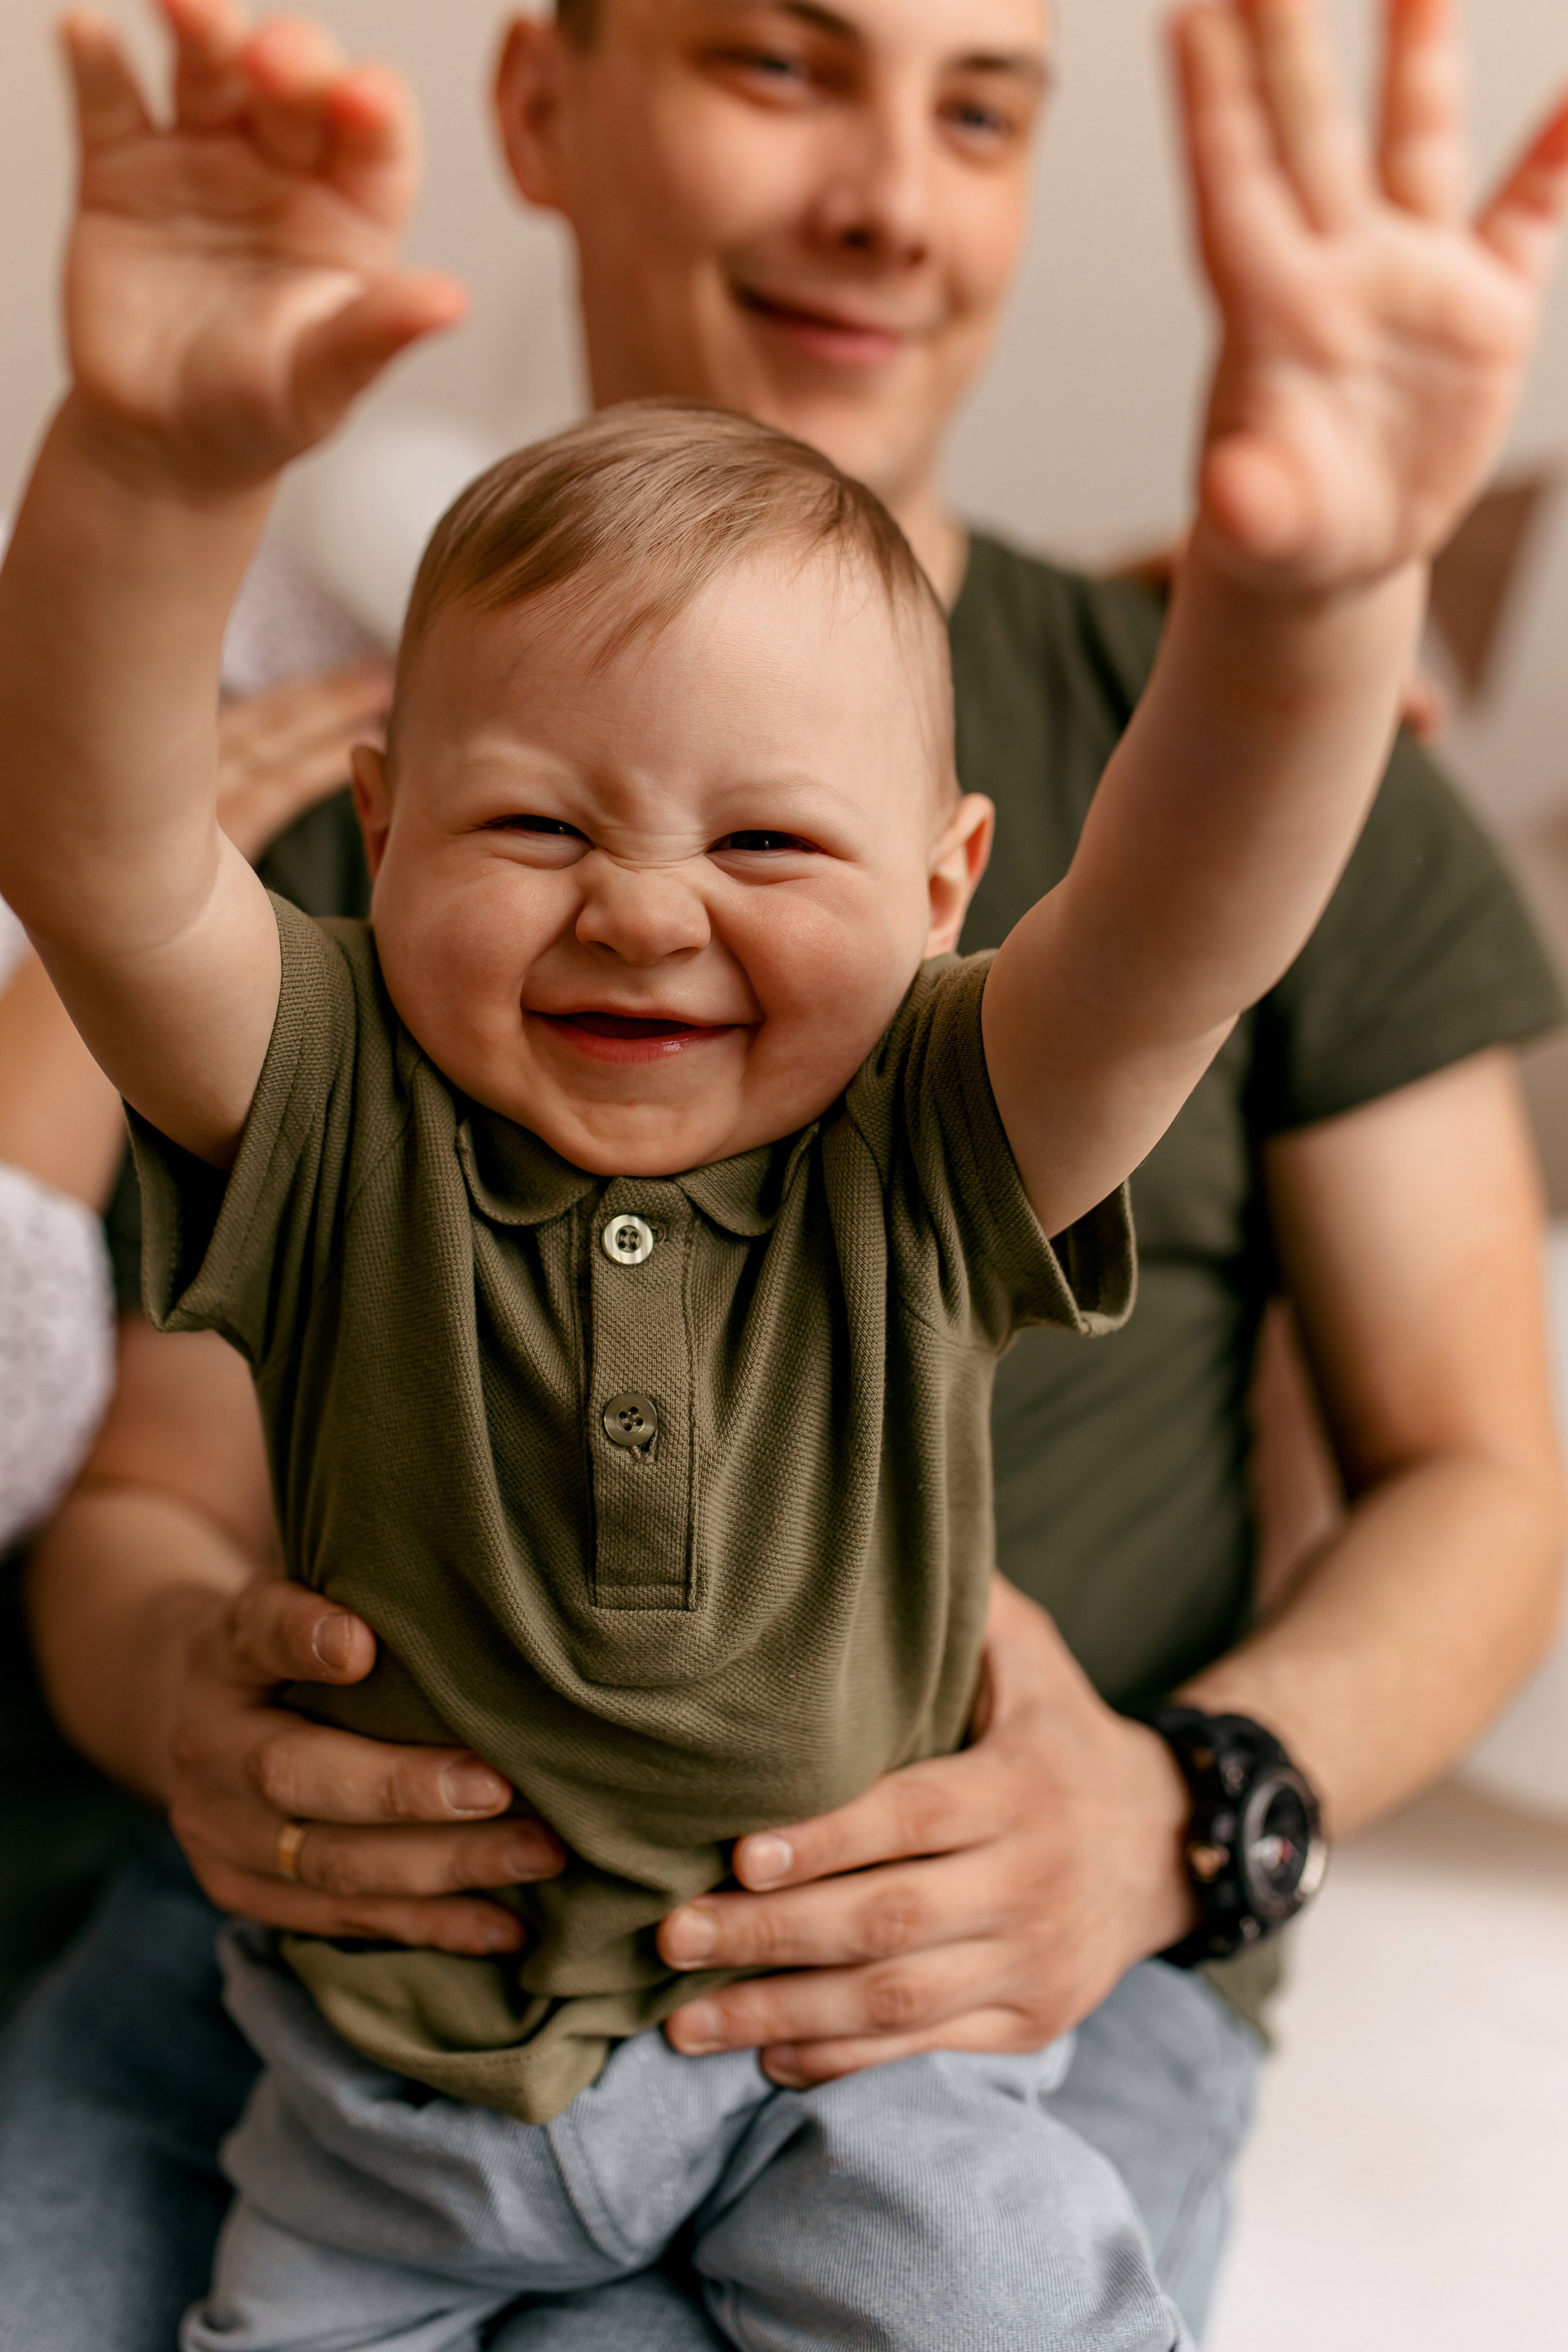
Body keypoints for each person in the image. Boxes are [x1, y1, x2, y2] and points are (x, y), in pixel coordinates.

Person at [4, 0, 1567, 2344]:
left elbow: (1184, 931)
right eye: (777, 65)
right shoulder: (349, 1043)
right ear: (390, 825)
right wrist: (144, 454)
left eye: (765, 847)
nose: (644, 911)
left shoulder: (938, 1113)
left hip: (890, 2041)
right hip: (385, 2037)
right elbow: (106, 865)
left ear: (950, 889)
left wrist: (1318, 596)